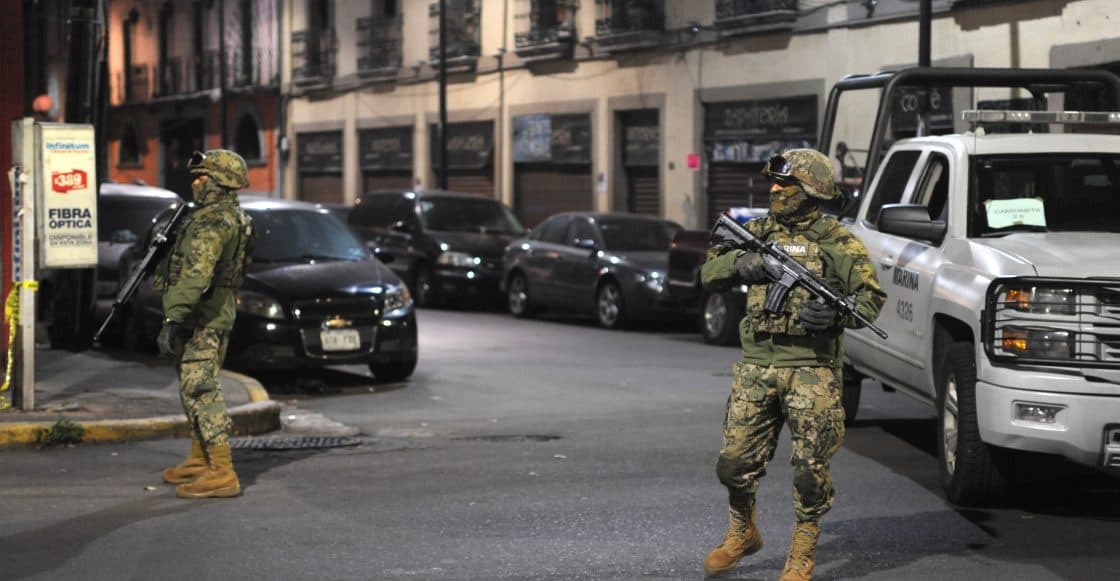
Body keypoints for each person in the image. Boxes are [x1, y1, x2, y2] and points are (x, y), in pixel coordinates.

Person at [700, 148, 886, 579]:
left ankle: (802, 550)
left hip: (813, 370)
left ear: (812, 190)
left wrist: (837, 314)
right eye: (775, 182)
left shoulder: (837, 241)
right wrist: (743, 264)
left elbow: (871, 298)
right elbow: (709, 274)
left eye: (786, 183)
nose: (776, 189)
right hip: (757, 365)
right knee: (732, 462)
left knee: (810, 468)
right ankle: (742, 530)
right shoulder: (757, 231)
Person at [155, 149, 254, 499]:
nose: (196, 184)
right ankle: (200, 460)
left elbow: (196, 278)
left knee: (201, 389)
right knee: (190, 388)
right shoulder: (227, 217)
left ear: (220, 182)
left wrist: (172, 318)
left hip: (204, 318)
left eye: (203, 178)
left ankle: (223, 470)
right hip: (209, 314)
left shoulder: (214, 223)